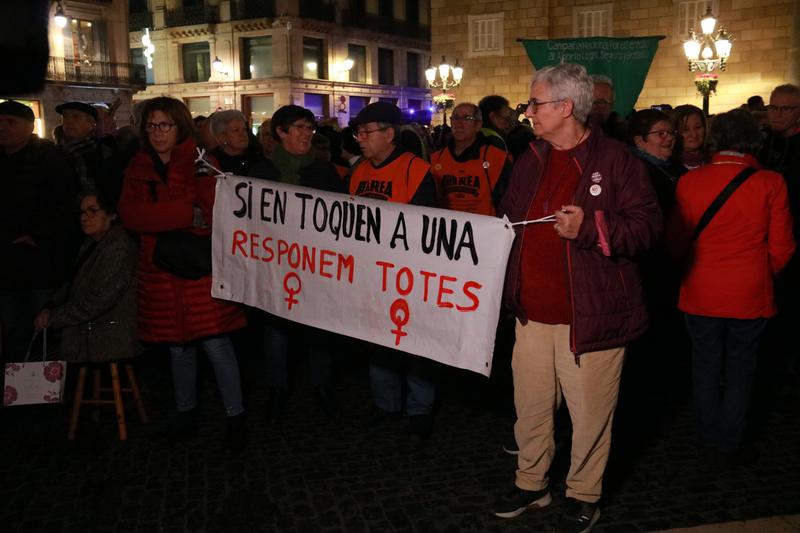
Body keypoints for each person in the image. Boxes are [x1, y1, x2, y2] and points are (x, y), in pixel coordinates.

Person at [493, 63, 661, 532]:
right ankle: (532, 484)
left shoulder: (618, 160)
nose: (527, 112)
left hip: (591, 317)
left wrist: (590, 228)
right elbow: (507, 219)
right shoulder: (531, 157)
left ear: (565, 107)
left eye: (535, 103)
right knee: (530, 408)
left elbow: (647, 228)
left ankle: (584, 494)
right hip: (531, 314)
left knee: (589, 417)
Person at [667, 109, 795, 466]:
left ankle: (708, 435)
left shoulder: (690, 182)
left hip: (700, 289)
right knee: (742, 367)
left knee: (705, 364)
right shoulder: (771, 182)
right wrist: (762, 272)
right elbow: (783, 247)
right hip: (750, 290)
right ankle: (730, 440)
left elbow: (675, 241)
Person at [118, 97, 247, 447]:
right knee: (177, 349)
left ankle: (236, 416)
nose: (158, 132)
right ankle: (185, 412)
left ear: (180, 127)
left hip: (198, 271)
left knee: (217, 345)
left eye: (165, 125)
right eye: (152, 125)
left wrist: (165, 215)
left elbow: (210, 209)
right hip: (159, 273)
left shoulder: (201, 162)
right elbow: (131, 216)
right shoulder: (137, 167)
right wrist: (182, 215)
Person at [348, 101, 438, 445]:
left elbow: (425, 228)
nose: (360, 139)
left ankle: (419, 411)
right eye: (358, 133)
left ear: (389, 134)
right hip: (371, 273)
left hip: (406, 274)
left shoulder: (415, 169)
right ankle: (386, 404)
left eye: (366, 133)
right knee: (377, 341)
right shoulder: (358, 171)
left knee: (414, 343)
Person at [262, 105, 344, 423]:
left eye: (310, 128)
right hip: (274, 268)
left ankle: (323, 388)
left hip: (315, 268)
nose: (306, 133)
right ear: (280, 132)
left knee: (318, 332)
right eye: (299, 127)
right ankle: (277, 389)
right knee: (276, 333)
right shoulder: (262, 172)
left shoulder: (324, 172)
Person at [0, 100, 78, 359]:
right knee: (12, 328)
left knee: (42, 327)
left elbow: (67, 205)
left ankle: (45, 386)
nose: (3, 128)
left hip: (41, 262)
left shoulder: (50, 159)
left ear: (29, 126)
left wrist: (39, 236)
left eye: (10, 122)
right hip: (6, 264)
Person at [33, 192, 140, 364]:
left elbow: (101, 299)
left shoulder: (119, 247)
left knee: (41, 356)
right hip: (92, 326)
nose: (84, 217)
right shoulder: (91, 245)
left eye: (93, 211)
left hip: (110, 332)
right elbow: (72, 282)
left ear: (111, 215)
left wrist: (55, 318)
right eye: (82, 212)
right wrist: (49, 306)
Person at [430, 102, 511, 215]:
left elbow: (507, 202)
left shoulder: (497, 158)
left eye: (466, 118)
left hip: (484, 228)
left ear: (478, 125)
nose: (459, 124)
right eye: (455, 118)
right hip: (447, 228)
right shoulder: (436, 159)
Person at [56, 101, 123, 203]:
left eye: (76, 117)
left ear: (92, 124)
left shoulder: (104, 152)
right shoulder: (54, 152)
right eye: (65, 116)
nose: (68, 121)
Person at [628, 109, 687, 216]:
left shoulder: (675, 165)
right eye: (661, 134)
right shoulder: (635, 173)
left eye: (671, 133)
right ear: (640, 141)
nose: (670, 138)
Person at [210, 109, 275, 180]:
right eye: (236, 130)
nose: (243, 134)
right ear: (222, 137)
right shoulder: (211, 163)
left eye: (244, 129)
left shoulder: (258, 161)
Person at [478, 94, 536, 159]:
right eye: (507, 119)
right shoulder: (495, 143)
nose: (510, 125)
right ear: (493, 117)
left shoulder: (480, 136)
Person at [588, 75, 626, 141]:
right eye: (592, 101)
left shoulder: (621, 136)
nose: (597, 106)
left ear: (612, 105)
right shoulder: (569, 130)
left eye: (603, 102)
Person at [672, 104, 709, 171]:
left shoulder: (715, 160)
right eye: (685, 130)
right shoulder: (669, 166)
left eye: (698, 127)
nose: (694, 134)